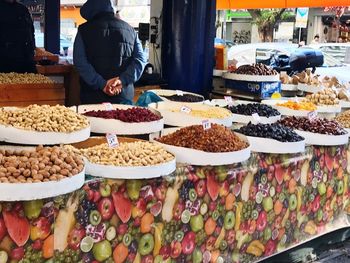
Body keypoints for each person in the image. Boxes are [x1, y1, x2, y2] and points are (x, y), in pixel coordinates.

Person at [73, 0, 147, 105]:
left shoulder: (83, 30)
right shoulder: (130, 30)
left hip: (93, 97)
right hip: (122, 95)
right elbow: (140, 60)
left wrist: (102, 84)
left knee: (94, 121)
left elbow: (80, 61)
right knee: (125, 120)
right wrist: (122, 80)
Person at [0, 0, 36, 73]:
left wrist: (32, 49)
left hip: (27, 62)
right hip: (5, 64)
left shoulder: (23, 9)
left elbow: (31, 32)